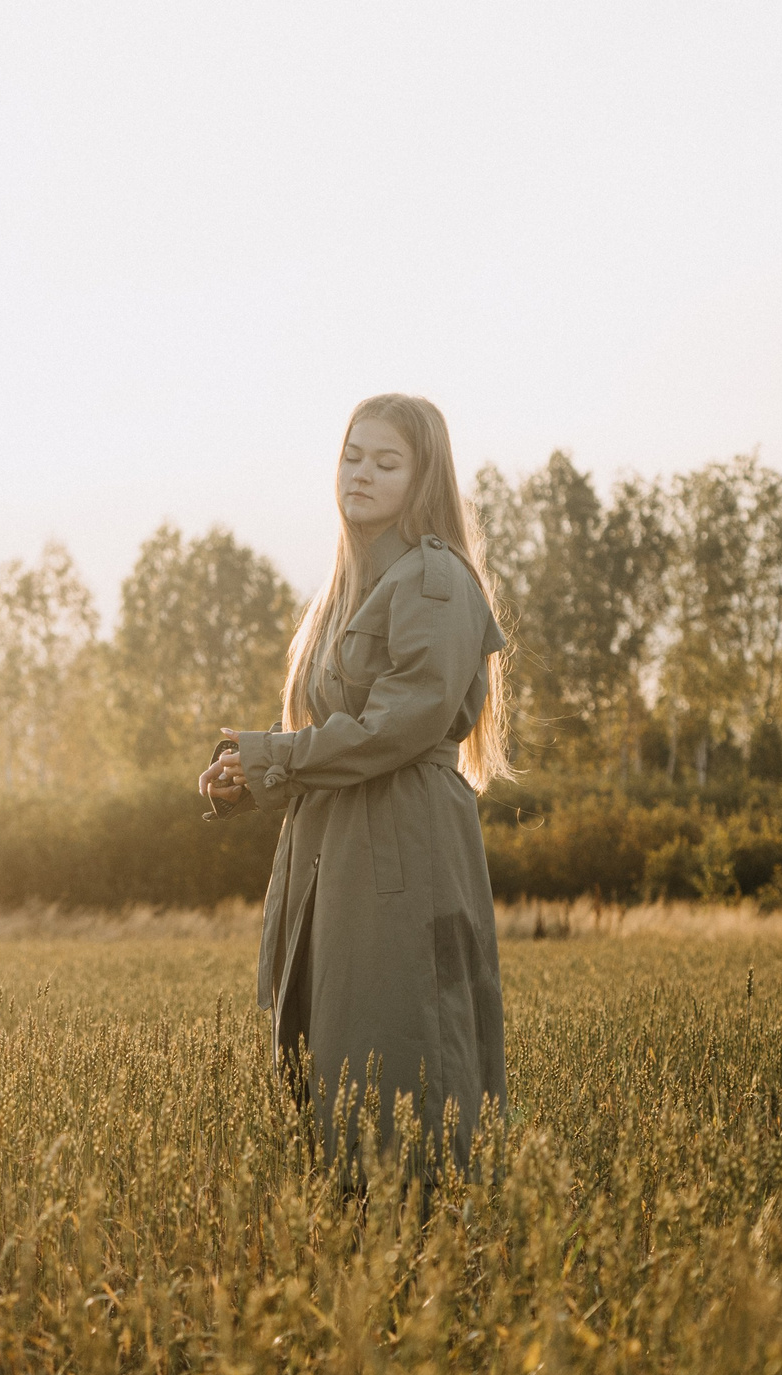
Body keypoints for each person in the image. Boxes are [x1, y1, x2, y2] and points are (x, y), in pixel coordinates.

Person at [199, 393, 512, 1173]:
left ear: (422, 477)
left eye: (386, 462)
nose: (361, 474)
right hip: (334, 850)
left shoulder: (434, 580)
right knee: (329, 1074)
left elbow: (395, 727)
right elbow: (334, 733)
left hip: (399, 850)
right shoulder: (344, 590)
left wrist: (273, 756)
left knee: (403, 1075)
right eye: (352, 456)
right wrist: (250, 775)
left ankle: (425, 1239)